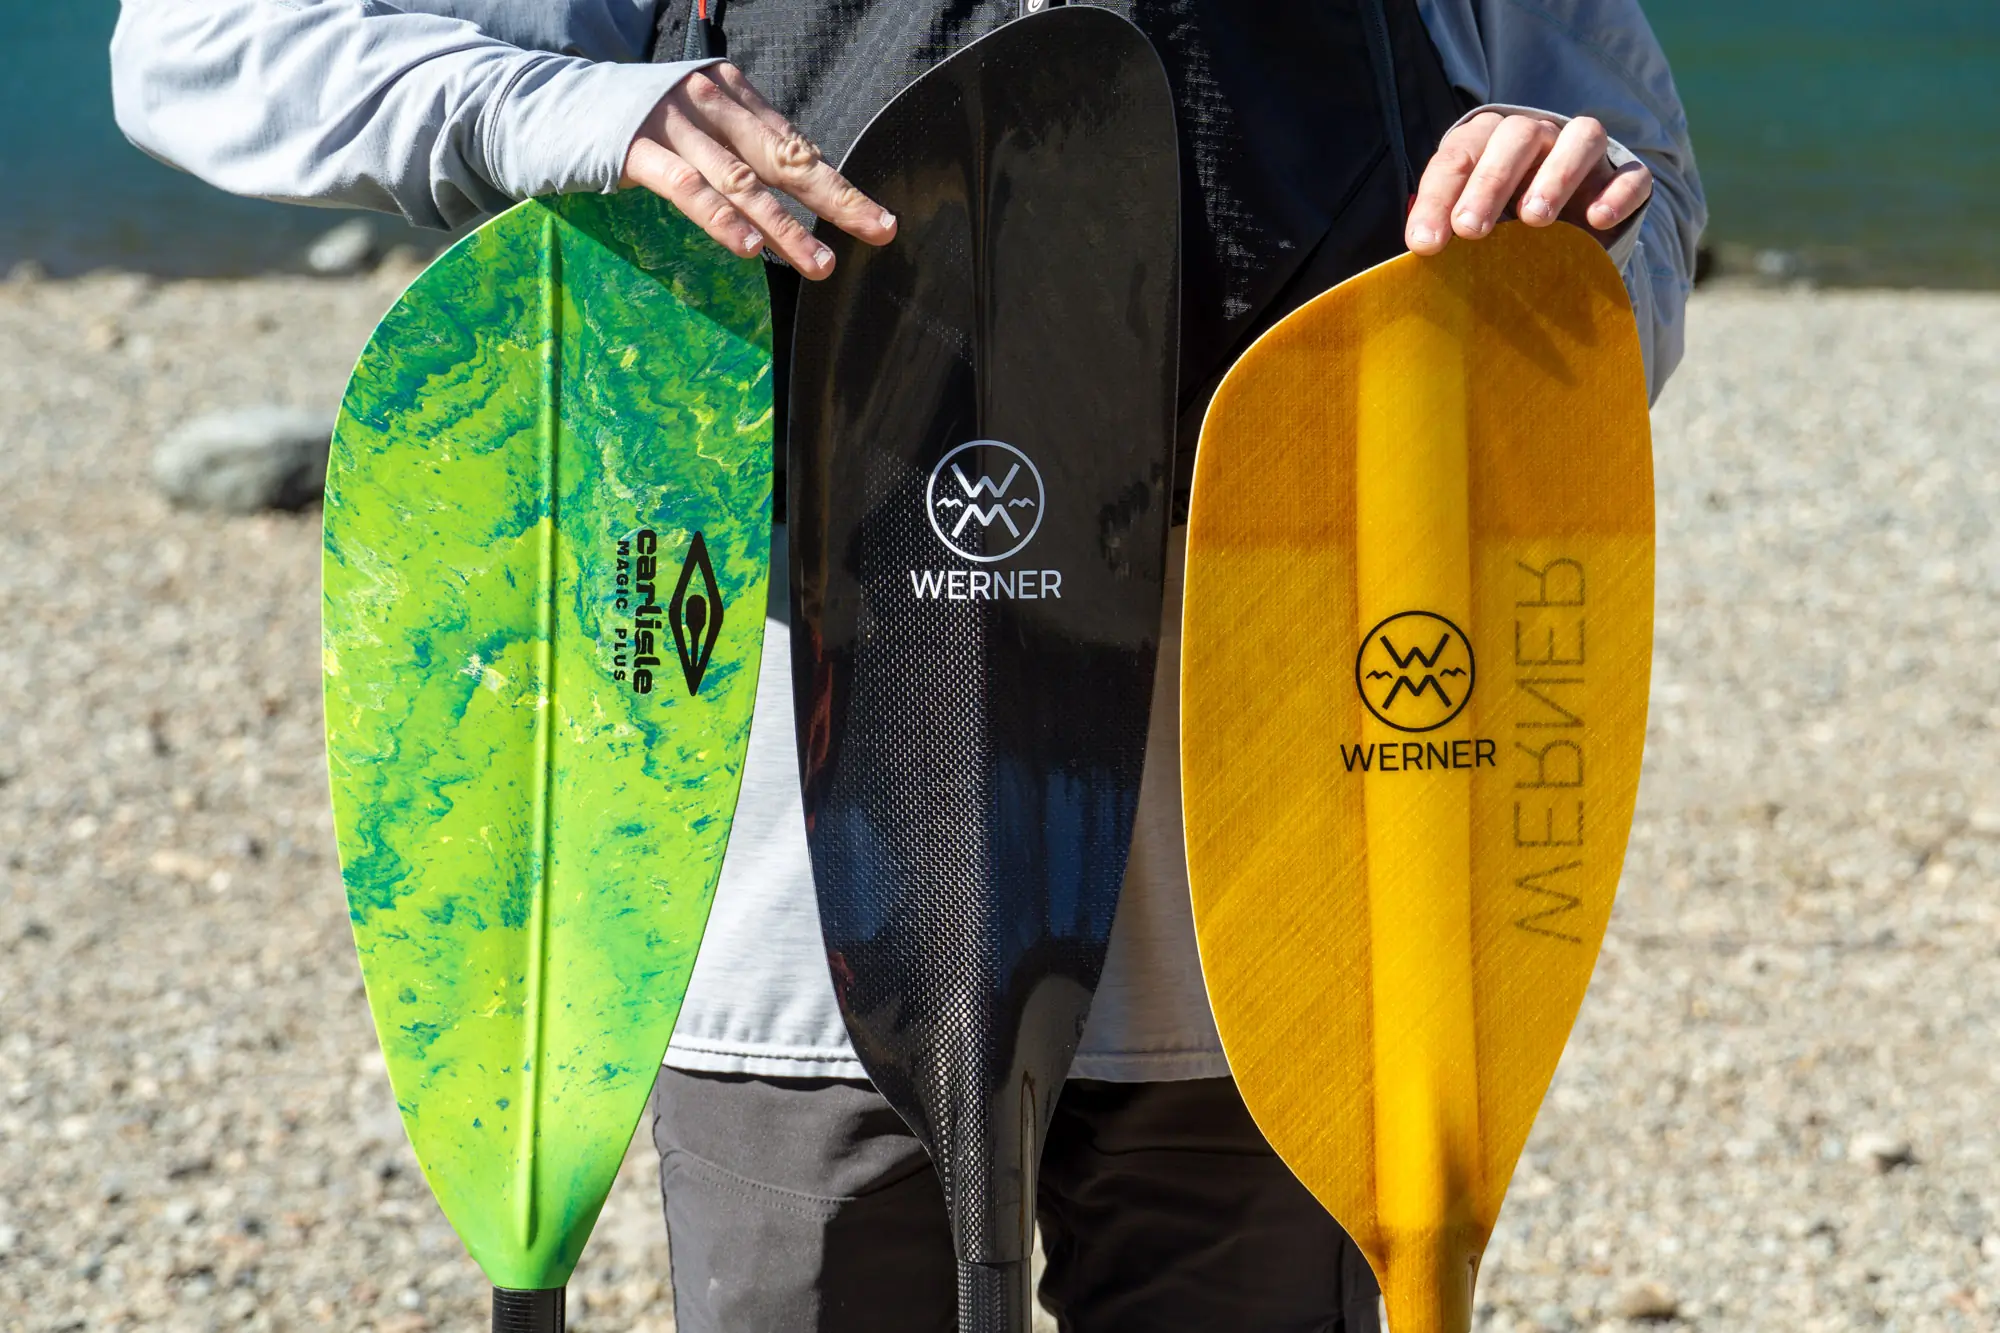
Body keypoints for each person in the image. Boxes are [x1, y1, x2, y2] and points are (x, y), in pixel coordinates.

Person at [113, 2, 1702, 1328]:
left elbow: (1645, 222)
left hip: (1291, 894)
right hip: (808, 887)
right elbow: (201, 43)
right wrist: (562, 109)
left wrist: (1566, 246)